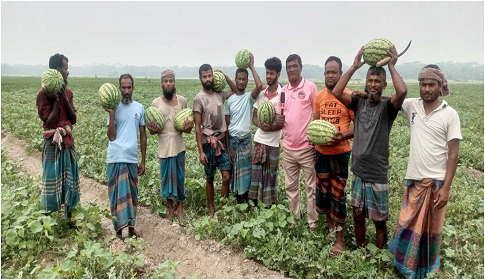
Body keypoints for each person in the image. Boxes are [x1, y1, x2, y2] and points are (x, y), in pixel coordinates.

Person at [388, 66, 461, 278]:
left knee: (428, 232)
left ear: (440, 87)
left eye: (431, 85)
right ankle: (404, 265)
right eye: (423, 84)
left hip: (435, 184)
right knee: (406, 224)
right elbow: (392, 99)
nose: (426, 88)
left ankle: (424, 269)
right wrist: (366, 95)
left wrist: (446, 188)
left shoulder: (450, 114)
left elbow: (453, 154)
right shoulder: (412, 106)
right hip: (414, 181)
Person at [332, 45, 407, 249]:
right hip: (358, 171)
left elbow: (402, 91)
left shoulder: (388, 108)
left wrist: (391, 65)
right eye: (370, 81)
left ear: (384, 84)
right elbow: (337, 91)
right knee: (358, 215)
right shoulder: (359, 102)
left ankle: (379, 254)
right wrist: (354, 67)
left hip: (377, 173)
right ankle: (362, 251)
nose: (373, 84)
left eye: (377, 82)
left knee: (379, 220)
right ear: (365, 83)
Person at [313, 56, 354, 256]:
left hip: (340, 154)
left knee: (338, 196)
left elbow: (359, 126)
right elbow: (314, 125)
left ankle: (340, 240)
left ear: (340, 73)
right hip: (321, 154)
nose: (330, 75)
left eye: (334, 72)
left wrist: (342, 136)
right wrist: (314, 139)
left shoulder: (347, 96)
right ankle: (331, 231)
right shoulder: (319, 97)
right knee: (324, 194)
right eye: (327, 72)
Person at [36, 53, 80, 228]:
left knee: (71, 179)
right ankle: (47, 220)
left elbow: (73, 118)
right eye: (65, 68)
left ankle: (71, 218)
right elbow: (50, 122)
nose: (67, 72)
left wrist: (63, 98)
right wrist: (55, 101)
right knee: (51, 180)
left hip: (67, 141)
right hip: (52, 143)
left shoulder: (68, 93)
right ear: (56, 71)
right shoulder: (42, 95)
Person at [104, 73, 146, 239]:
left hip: (131, 157)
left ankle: (131, 227)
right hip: (115, 156)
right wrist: (112, 113)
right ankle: (118, 229)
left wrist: (143, 159)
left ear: (133, 88)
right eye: (124, 87)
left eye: (129, 87)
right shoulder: (113, 108)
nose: (126, 91)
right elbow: (111, 136)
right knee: (117, 195)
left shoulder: (139, 108)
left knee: (132, 195)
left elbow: (143, 135)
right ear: (119, 88)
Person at [147, 70, 193, 219]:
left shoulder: (182, 101)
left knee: (180, 177)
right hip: (164, 146)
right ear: (161, 83)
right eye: (165, 81)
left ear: (174, 83)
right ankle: (170, 209)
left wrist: (188, 127)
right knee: (166, 178)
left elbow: (188, 129)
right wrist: (152, 129)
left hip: (179, 145)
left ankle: (180, 208)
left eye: (170, 81)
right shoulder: (156, 103)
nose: (168, 84)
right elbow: (153, 131)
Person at [193, 64, 237, 218]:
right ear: (200, 78)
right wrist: (200, 151)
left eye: (210, 75)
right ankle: (212, 209)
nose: (207, 79)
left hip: (222, 142)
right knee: (210, 177)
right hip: (208, 144)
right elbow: (197, 128)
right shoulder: (198, 99)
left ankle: (223, 210)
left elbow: (236, 90)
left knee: (226, 176)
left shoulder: (220, 94)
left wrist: (224, 75)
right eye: (204, 76)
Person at [281, 54, 319, 231]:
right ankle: (295, 220)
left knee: (311, 188)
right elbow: (279, 116)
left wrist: (316, 139)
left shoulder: (310, 87)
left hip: (307, 148)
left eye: (294, 66)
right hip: (288, 149)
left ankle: (313, 223)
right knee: (291, 187)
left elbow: (317, 114)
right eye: (288, 67)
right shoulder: (283, 92)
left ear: (301, 67)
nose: (291, 69)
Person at [224, 52, 263, 203]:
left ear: (247, 81)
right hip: (233, 141)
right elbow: (226, 126)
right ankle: (238, 200)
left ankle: (245, 199)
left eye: (244, 79)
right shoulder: (230, 100)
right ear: (235, 80)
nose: (241, 82)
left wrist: (252, 67)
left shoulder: (249, 98)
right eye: (239, 79)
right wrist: (228, 147)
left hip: (245, 141)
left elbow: (259, 85)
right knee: (235, 172)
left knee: (246, 172)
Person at [249, 57, 284, 206]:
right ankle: (254, 203)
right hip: (260, 139)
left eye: (272, 73)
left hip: (274, 142)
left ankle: (269, 205)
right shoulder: (262, 94)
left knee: (271, 175)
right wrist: (260, 126)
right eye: (267, 73)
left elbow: (283, 121)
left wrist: (272, 127)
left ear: (278, 74)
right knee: (256, 174)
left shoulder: (282, 94)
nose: (269, 76)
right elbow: (254, 118)